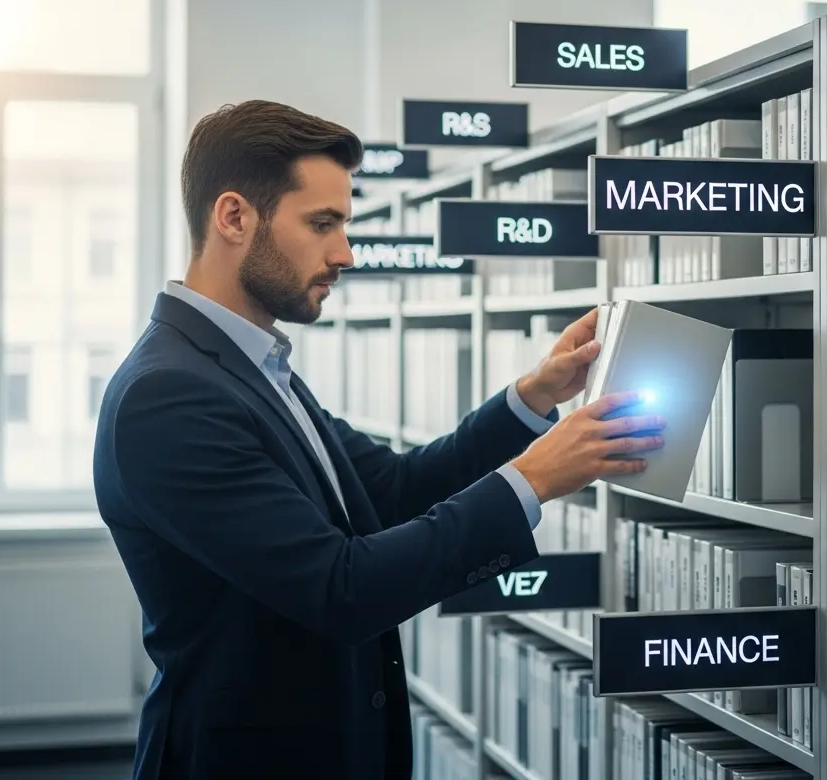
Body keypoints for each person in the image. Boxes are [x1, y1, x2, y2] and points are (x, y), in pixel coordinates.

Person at [92, 99, 666, 780]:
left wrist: (536, 395)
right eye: (322, 224)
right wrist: (535, 478)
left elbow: (389, 489)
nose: (346, 253)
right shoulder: (170, 396)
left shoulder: (250, 365)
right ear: (234, 217)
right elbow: (341, 589)